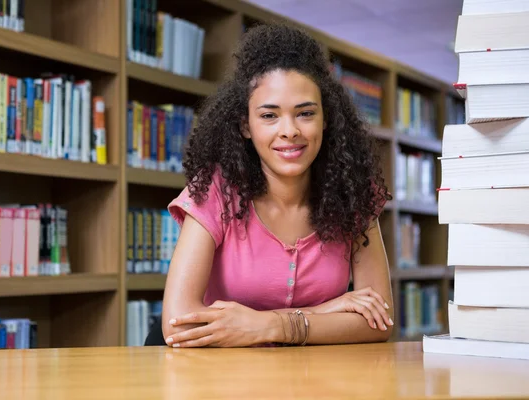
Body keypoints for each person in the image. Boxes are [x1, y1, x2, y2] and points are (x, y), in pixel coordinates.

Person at [161, 23, 394, 348]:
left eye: (305, 113)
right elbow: (178, 325)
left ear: (326, 120)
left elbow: (380, 321)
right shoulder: (216, 192)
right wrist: (322, 313)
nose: (289, 131)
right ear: (246, 125)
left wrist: (275, 326)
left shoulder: (353, 193)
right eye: (269, 116)